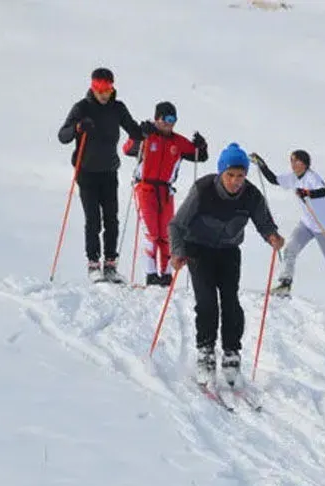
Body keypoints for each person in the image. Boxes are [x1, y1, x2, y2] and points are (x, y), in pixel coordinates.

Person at [168, 143, 285, 388]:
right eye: (230, 175)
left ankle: (231, 353)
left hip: (229, 250)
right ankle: (205, 353)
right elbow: (176, 225)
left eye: (240, 175)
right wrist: (178, 252)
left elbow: (264, 222)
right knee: (207, 302)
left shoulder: (251, 195)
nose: (235, 181)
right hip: (197, 249)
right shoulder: (203, 189)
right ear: (221, 172)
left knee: (231, 302)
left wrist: (272, 236)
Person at [57, 67, 144, 283]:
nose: (104, 93)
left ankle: (111, 265)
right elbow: (63, 135)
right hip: (86, 172)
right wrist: (78, 127)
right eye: (99, 88)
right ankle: (93, 263)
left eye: (107, 88)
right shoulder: (82, 108)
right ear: (93, 87)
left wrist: (145, 130)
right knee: (93, 219)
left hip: (108, 171)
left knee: (111, 219)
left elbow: (134, 130)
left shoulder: (117, 108)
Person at [249, 150, 325, 303]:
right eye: (291, 161)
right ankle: (285, 283)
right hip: (307, 224)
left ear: (305, 164)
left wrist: (306, 193)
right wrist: (262, 165)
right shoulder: (293, 178)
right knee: (290, 249)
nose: (293, 164)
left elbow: (322, 191)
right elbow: (273, 180)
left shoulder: (312, 178)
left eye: (296, 161)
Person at [122, 101, 209, 287]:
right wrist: (138, 135)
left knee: (167, 233)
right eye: (167, 119)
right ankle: (151, 274)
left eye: (173, 119)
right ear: (157, 119)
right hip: (145, 187)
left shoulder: (177, 141)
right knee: (151, 232)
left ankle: (166, 274)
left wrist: (202, 146)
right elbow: (127, 149)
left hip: (166, 191)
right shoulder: (147, 136)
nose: (170, 123)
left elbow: (199, 156)